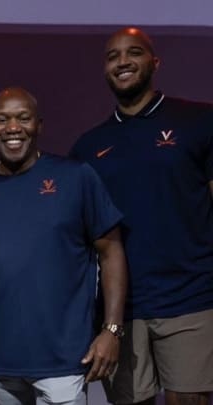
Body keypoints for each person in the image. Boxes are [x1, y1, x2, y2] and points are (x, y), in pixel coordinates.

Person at [70, 27, 213, 405]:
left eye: (134, 52)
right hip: (121, 311)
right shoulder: (88, 147)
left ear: (155, 62)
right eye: (113, 56)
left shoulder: (199, 121)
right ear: (105, 69)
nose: (123, 62)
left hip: (193, 300)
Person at [0, 87, 127, 405]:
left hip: (64, 360)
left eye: (23, 118)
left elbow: (111, 252)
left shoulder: (76, 177)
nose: (13, 127)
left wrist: (111, 329)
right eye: (2, 120)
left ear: (39, 125)